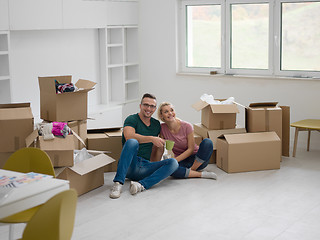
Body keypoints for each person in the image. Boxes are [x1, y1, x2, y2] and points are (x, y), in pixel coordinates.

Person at [109, 94, 179, 199]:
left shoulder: (156, 124)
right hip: (130, 165)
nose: (148, 108)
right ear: (140, 106)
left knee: (173, 162)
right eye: (146, 105)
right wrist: (152, 138)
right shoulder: (131, 119)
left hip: (145, 167)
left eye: (152, 106)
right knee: (132, 142)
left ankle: (141, 185)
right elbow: (129, 136)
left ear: (155, 109)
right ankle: (118, 184)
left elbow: (158, 147)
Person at [158, 102, 217, 180]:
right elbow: (163, 147)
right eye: (166, 112)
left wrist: (174, 161)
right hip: (182, 161)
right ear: (162, 116)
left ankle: (191, 171)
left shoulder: (187, 126)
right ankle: (200, 174)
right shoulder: (162, 128)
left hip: (197, 159)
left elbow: (191, 149)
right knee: (170, 170)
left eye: (172, 110)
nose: (170, 113)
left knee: (207, 142)